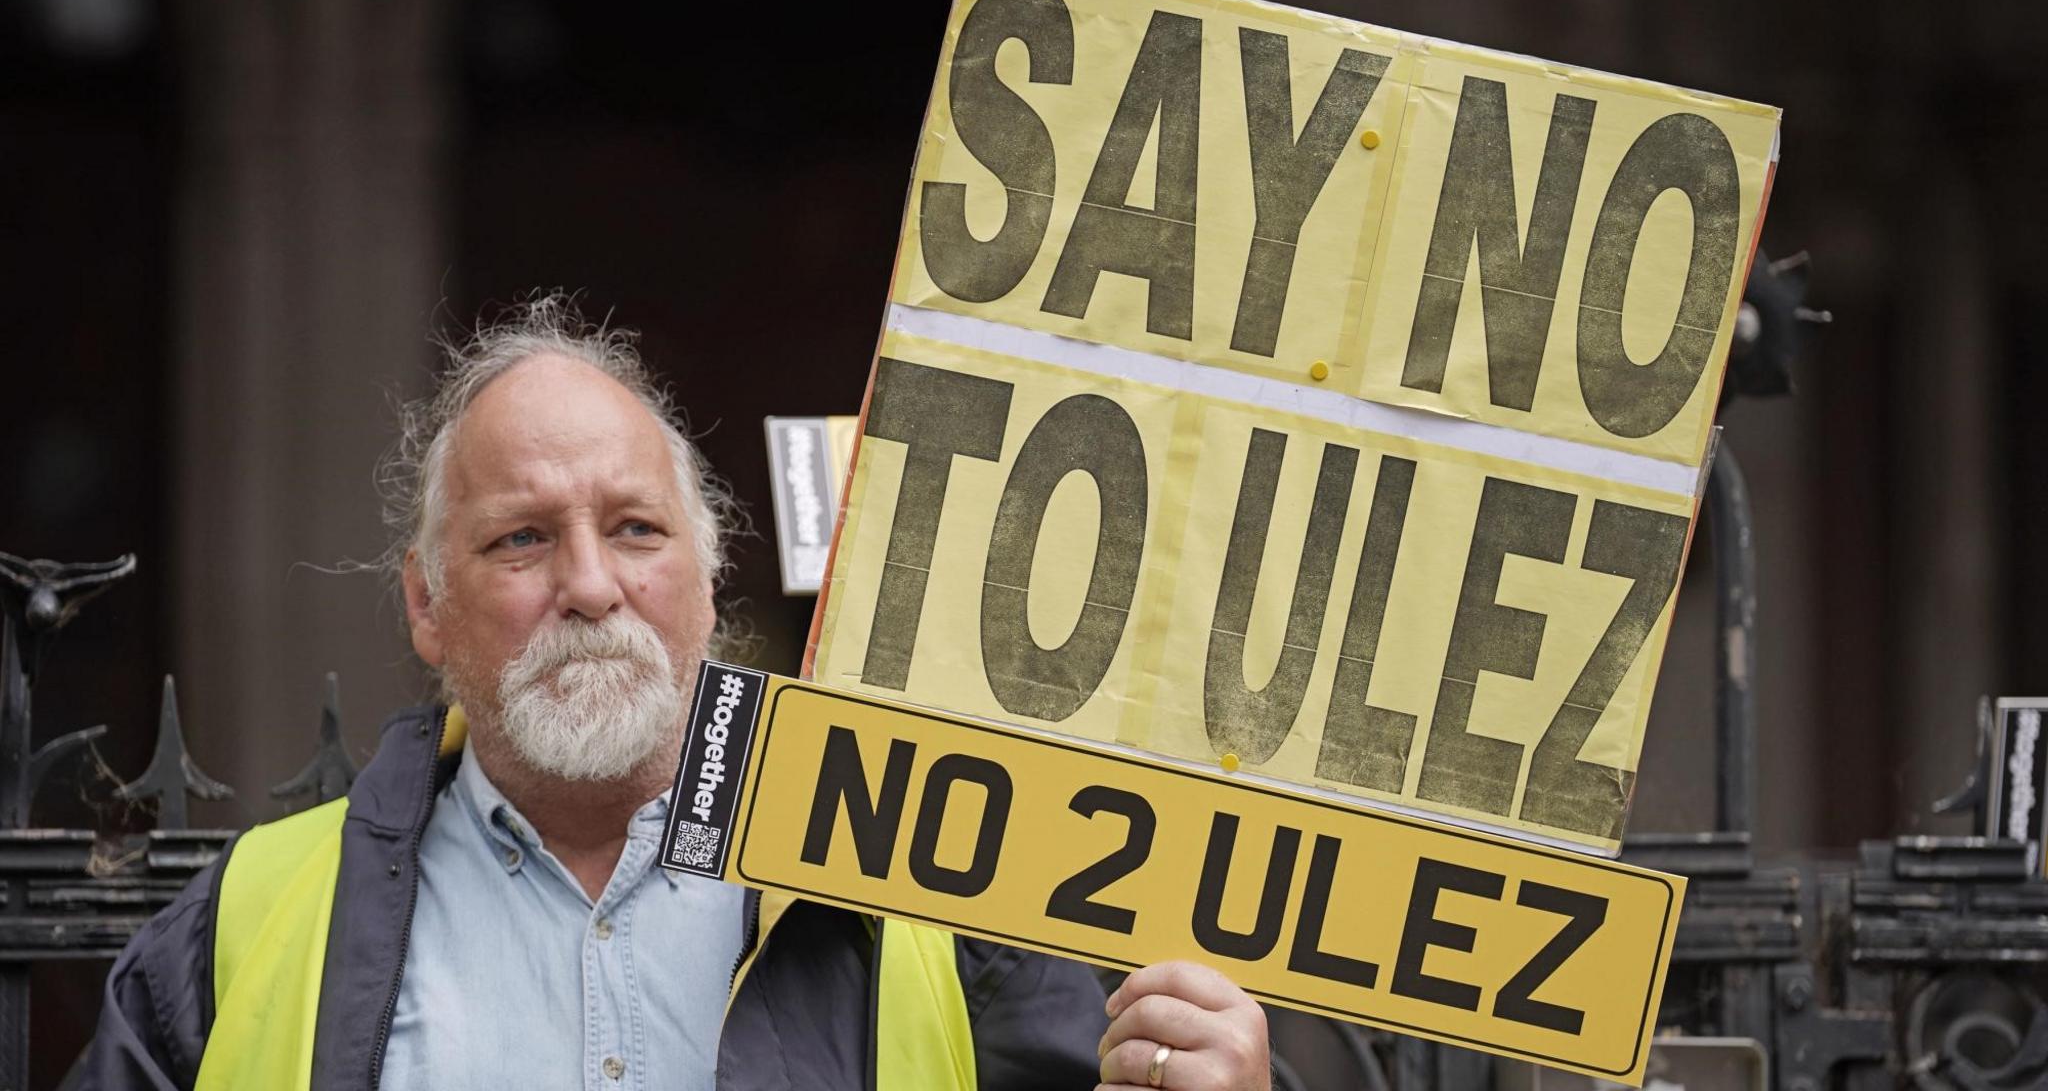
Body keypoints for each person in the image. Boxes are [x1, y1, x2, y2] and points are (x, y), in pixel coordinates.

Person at [79, 298, 1273, 1090]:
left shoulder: (926, 886)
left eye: (636, 530)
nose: (590, 585)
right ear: (425, 604)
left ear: (704, 582)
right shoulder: (248, 923)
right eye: (521, 540)